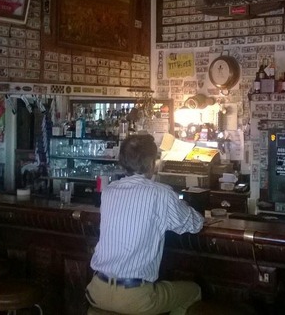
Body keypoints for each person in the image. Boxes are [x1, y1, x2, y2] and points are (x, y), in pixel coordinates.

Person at [86, 134, 204, 315]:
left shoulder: (108, 191)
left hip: (97, 291)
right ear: (151, 164)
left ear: (122, 162)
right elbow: (195, 225)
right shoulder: (161, 194)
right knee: (194, 291)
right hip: (134, 298)